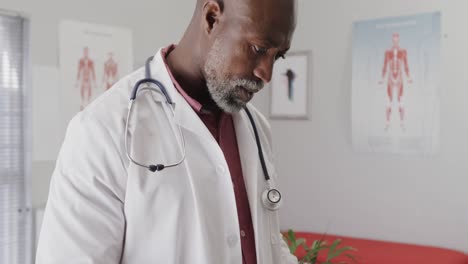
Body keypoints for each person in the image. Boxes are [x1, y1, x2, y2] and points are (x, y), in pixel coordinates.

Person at [36, 0, 298, 263]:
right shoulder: (103, 130)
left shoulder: (256, 127)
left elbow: (266, 242)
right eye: (258, 48)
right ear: (211, 17)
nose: (266, 73)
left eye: (277, 56)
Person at [379, 33, 412, 131]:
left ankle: (402, 123)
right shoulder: (387, 53)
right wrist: (382, 78)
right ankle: (387, 123)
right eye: (394, 39)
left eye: (397, 39)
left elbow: (406, 65)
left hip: (399, 79)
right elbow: (384, 66)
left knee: (401, 101)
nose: (395, 41)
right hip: (390, 79)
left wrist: (408, 77)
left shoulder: (403, 52)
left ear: (399, 40)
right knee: (388, 102)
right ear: (392, 40)